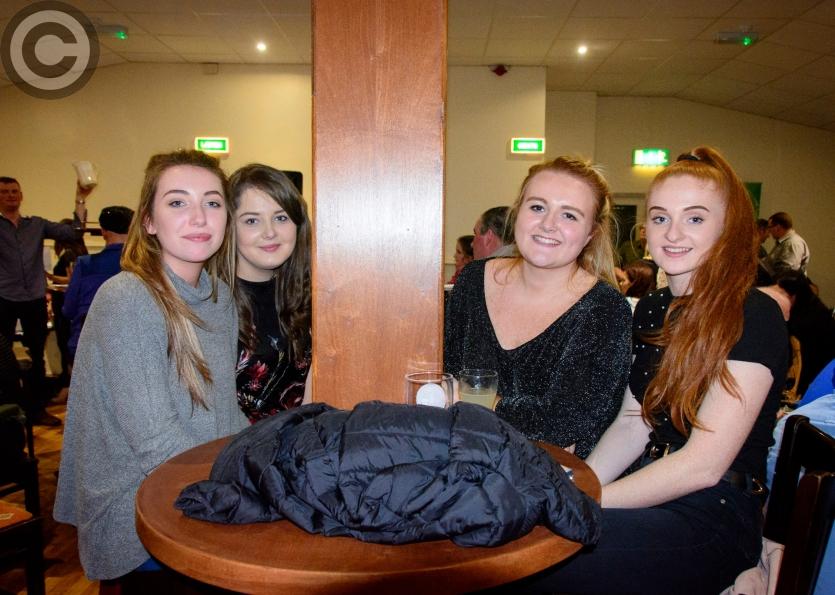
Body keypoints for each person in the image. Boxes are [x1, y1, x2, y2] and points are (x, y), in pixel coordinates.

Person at [515, 147, 789, 594]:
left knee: (540, 559)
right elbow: (632, 422)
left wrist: (584, 502)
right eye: (661, 217)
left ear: (728, 228)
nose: (673, 233)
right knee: (525, 541)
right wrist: (579, 487)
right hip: (649, 490)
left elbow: (702, 467)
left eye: (695, 218)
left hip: (713, 510)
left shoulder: (753, 314)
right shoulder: (653, 307)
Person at [54, 150, 248, 584]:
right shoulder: (128, 298)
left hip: (196, 485)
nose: (199, 217)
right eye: (178, 202)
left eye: (212, 202)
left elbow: (225, 410)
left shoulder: (219, 297)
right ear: (149, 222)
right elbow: (156, 443)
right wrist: (245, 485)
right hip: (137, 511)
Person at [445, 156, 632, 458]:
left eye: (569, 215)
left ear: (591, 233)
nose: (548, 224)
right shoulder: (473, 280)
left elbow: (563, 423)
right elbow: (446, 377)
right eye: (537, 207)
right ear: (517, 213)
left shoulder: (605, 310)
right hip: (466, 458)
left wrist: (479, 402)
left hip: (553, 475)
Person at [0, 176, 90, 425]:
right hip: (4, 298)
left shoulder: (36, 224)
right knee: (3, 355)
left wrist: (80, 198)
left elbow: (74, 231)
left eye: (14, 191)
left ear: (21, 195)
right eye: (5, 192)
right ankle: (10, 410)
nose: (10, 196)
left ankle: (36, 410)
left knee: (37, 354)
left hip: (34, 298)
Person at [230, 164, 312, 422]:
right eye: (252, 221)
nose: (270, 232)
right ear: (229, 227)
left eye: (281, 218)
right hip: (232, 443)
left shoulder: (314, 294)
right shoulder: (210, 301)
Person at [62, 206, 134, 362]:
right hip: (130, 347)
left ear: (103, 231)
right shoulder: (143, 266)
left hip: (87, 345)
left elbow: (69, 309)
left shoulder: (85, 265)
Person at [48, 222, 88, 386]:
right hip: (69, 304)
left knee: (65, 345)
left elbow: (70, 280)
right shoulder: (79, 254)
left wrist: (49, 279)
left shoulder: (69, 255)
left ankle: (68, 384)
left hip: (65, 304)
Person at [762, 211, 809, 276]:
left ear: (778, 227)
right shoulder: (784, 242)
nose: (769, 231)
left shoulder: (793, 243)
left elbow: (787, 274)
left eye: (770, 227)